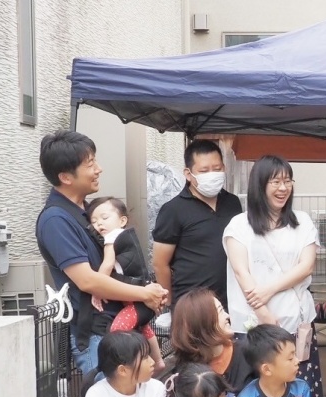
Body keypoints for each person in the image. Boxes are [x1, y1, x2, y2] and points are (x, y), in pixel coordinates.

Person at [36, 131, 166, 375]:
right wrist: (144, 293)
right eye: (90, 164)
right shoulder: (56, 220)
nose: (99, 169)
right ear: (65, 177)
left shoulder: (89, 211)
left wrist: (148, 292)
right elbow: (87, 280)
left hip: (121, 326)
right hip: (98, 335)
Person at [224, 155, 326, 397]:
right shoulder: (238, 225)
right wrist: (264, 314)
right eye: (275, 181)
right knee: (255, 395)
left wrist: (269, 289)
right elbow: (241, 272)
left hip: (296, 325)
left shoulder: (302, 222)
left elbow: (306, 266)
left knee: (299, 390)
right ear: (260, 184)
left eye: (287, 181)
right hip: (253, 327)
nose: (283, 188)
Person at [152, 139, 242, 311]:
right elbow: (160, 263)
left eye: (217, 169)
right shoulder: (173, 210)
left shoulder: (233, 203)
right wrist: (169, 303)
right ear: (188, 173)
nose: (212, 175)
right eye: (204, 171)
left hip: (231, 302)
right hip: (191, 306)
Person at [86, 197, 165, 372]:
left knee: (117, 330)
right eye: (94, 221)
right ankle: (158, 361)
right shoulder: (125, 236)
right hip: (139, 299)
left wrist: (97, 290)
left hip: (137, 300)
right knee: (144, 328)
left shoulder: (112, 237)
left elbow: (107, 264)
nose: (99, 224)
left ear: (122, 221)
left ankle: (131, 364)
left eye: (104, 218)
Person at [170, 288, 255, 394]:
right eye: (220, 311)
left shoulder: (249, 352)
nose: (227, 316)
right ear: (203, 323)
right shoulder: (185, 373)